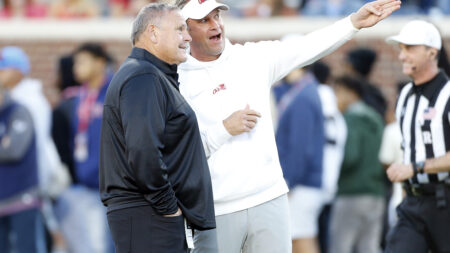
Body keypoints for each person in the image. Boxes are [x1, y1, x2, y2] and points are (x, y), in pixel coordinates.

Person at [176, 0, 400, 252]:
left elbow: (307, 47)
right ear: (185, 30)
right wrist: (225, 129)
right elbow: (178, 153)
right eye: (204, 20)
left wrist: (353, 23)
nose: (215, 24)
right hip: (216, 208)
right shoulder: (176, 79)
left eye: (217, 16)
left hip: (269, 198)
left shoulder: (251, 58)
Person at [99, 3, 216, 253]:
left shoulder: (149, 74)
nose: (187, 36)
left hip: (149, 214)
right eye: (179, 29)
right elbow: (143, 152)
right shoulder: (144, 76)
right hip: (148, 215)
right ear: (153, 33)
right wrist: (169, 208)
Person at [384, 19, 450, 253]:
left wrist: (416, 167)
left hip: (445, 201)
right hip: (412, 203)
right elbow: (409, 148)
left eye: (410, 48)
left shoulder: (447, 94)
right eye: (401, 49)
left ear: (432, 52)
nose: (402, 56)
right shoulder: (405, 97)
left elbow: (413, 162)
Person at [0, 46, 70, 253]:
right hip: (11, 188)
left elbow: (21, 148)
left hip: (31, 183)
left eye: (4, 68)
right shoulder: (11, 100)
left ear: (18, 70)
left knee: (35, 242)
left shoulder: (29, 102)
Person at [51, 43, 114, 253]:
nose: (76, 67)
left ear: (100, 63)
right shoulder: (80, 97)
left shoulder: (115, 92)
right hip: (85, 184)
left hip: (111, 187)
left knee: (105, 245)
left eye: (82, 61)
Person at [329, 75, 385, 253]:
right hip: (376, 193)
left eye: (338, 92)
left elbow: (350, 156)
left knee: (341, 246)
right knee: (369, 247)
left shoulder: (351, 119)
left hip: (351, 193)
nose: (335, 98)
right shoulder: (375, 117)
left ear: (351, 93)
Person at [274, 66, 325, 253]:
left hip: (300, 183)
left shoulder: (302, 97)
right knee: (300, 237)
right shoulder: (307, 91)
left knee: (299, 239)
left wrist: (289, 181)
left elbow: (300, 145)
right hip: (304, 181)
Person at [0, 85, 46, 253]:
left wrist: (7, 145)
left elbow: (13, 150)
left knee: (28, 248)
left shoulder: (18, 111)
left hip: (22, 198)